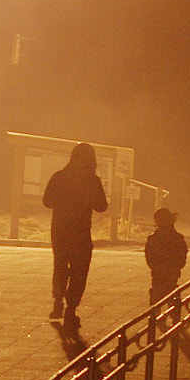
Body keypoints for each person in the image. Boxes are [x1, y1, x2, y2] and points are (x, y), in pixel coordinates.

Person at [42, 141, 108, 330]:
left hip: (60, 230)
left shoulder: (59, 176)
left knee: (60, 266)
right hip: (81, 232)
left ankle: (58, 302)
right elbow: (102, 206)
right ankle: (71, 309)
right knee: (80, 270)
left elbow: (47, 201)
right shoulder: (93, 181)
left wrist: (63, 202)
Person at [144, 207, 188, 303]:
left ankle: (155, 316)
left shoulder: (153, 239)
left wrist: (156, 266)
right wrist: (177, 266)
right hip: (173, 272)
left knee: (156, 298)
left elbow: (149, 257)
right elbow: (182, 254)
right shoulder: (178, 238)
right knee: (172, 295)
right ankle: (174, 314)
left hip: (158, 273)